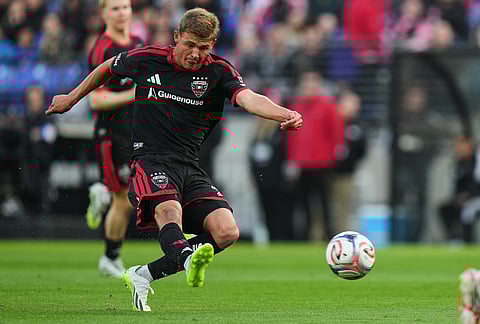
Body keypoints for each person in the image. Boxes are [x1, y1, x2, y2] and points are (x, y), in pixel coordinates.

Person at [45, 8, 303, 312]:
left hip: (189, 165)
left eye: (204, 47)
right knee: (170, 211)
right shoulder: (148, 58)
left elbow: (248, 98)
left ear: (214, 44)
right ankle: (187, 259)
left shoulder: (219, 71)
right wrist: (71, 98)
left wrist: (284, 114)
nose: (196, 54)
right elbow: (106, 68)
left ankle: (144, 274)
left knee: (227, 231)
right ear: (177, 36)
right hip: (149, 160)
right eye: (190, 44)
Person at [85, 0, 144, 279]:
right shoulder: (102, 48)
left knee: (127, 197)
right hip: (110, 134)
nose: (122, 13)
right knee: (124, 198)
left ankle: (102, 191)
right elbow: (96, 99)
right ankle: (110, 258)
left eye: (125, 7)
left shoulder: (138, 41)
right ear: (104, 13)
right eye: (116, 8)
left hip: (134, 131)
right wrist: (132, 95)